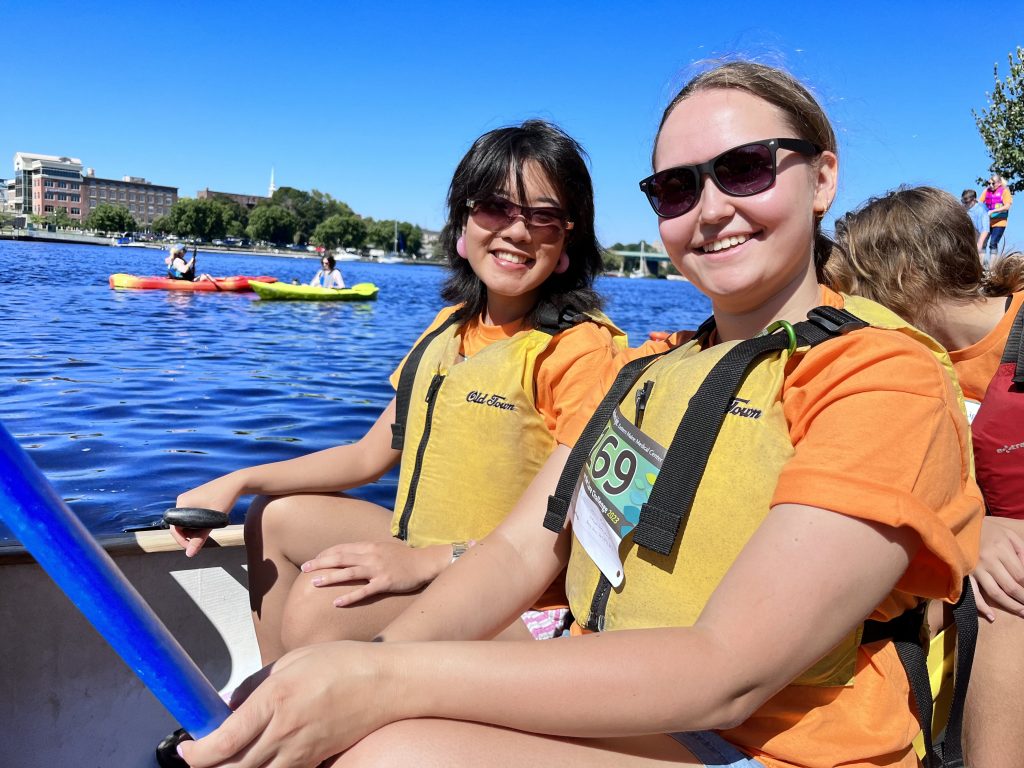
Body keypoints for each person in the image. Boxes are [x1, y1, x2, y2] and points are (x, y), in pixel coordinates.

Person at [178, 62, 982, 768]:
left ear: (822, 178)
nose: (709, 210)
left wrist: (381, 680)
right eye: (676, 186)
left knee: (395, 752)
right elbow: (517, 556)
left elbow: (730, 670)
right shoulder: (648, 370)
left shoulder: (881, 374)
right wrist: (364, 665)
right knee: (351, 697)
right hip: (628, 694)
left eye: (744, 169)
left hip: (775, 744)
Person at [171, 120, 625, 664]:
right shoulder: (448, 327)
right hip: (424, 554)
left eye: (543, 216)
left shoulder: (582, 352)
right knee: (274, 515)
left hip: (521, 603)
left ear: (569, 237)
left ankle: (293, 724)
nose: (517, 231)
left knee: (320, 609)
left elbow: (557, 538)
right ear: (463, 220)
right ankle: (268, 708)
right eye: (494, 207)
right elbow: (367, 456)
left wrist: (426, 563)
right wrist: (237, 481)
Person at [825, 184, 1024, 768]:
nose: (853, 311)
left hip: (1006, 580)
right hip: (966, 558)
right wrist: (972, 534)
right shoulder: (905, 365)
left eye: (861, 291)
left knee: (1007, 599)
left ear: (906, 279)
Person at [984, 174, 1013, 263]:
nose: (991, 185)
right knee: (982, 243)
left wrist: (993, 211)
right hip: (988, 222)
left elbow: (1007, 206)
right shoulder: (987, 191)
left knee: (993, 243)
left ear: (999, 183)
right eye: (989, 183)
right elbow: (979, 203)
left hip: (1000, 222)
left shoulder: (1005, 191)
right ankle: (980, 266)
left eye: (993, 183)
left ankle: (992, 267)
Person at [962, 188, 989, 256]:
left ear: (974, 200)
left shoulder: (981, 210)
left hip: (979, 235)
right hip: (968, 234)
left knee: (978, 257)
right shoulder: (964, 209)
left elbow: (985, 229)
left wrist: (980, 243)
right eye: (963, 201)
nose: (965, 204)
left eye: (967, 202)